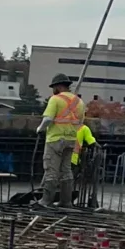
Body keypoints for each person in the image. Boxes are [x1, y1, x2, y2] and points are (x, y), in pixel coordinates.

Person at [40, 75, 84, 205]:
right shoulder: (79, 102)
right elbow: (80, 121)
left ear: (58, 86)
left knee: (51, 170)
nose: (53, 90)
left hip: (55, 140)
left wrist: (40, 129)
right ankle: (66, 201)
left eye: (54, 87)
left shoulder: (55, 99)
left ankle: (46, 201)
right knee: (66, 170)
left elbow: (48, 119)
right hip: (71, 140)